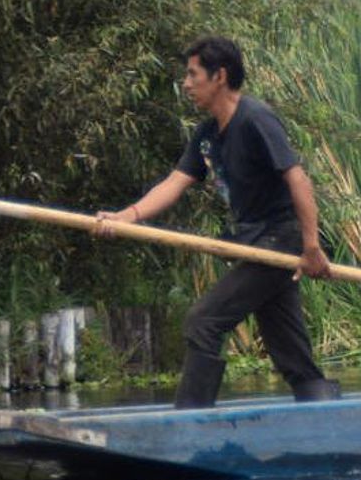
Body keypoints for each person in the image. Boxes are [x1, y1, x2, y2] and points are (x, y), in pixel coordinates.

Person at [95, 36, 340, 408]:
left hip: (279, 241)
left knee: (203, 321)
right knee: (286, 342)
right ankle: (323, 410)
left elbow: (297, 179)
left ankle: (190, 420)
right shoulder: (207, 135)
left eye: (193, 75)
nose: (187, 84)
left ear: (219, 76)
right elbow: (176, 183)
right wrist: (126, 216)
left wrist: (310, 247)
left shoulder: (256, 118)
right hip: (254, 244)